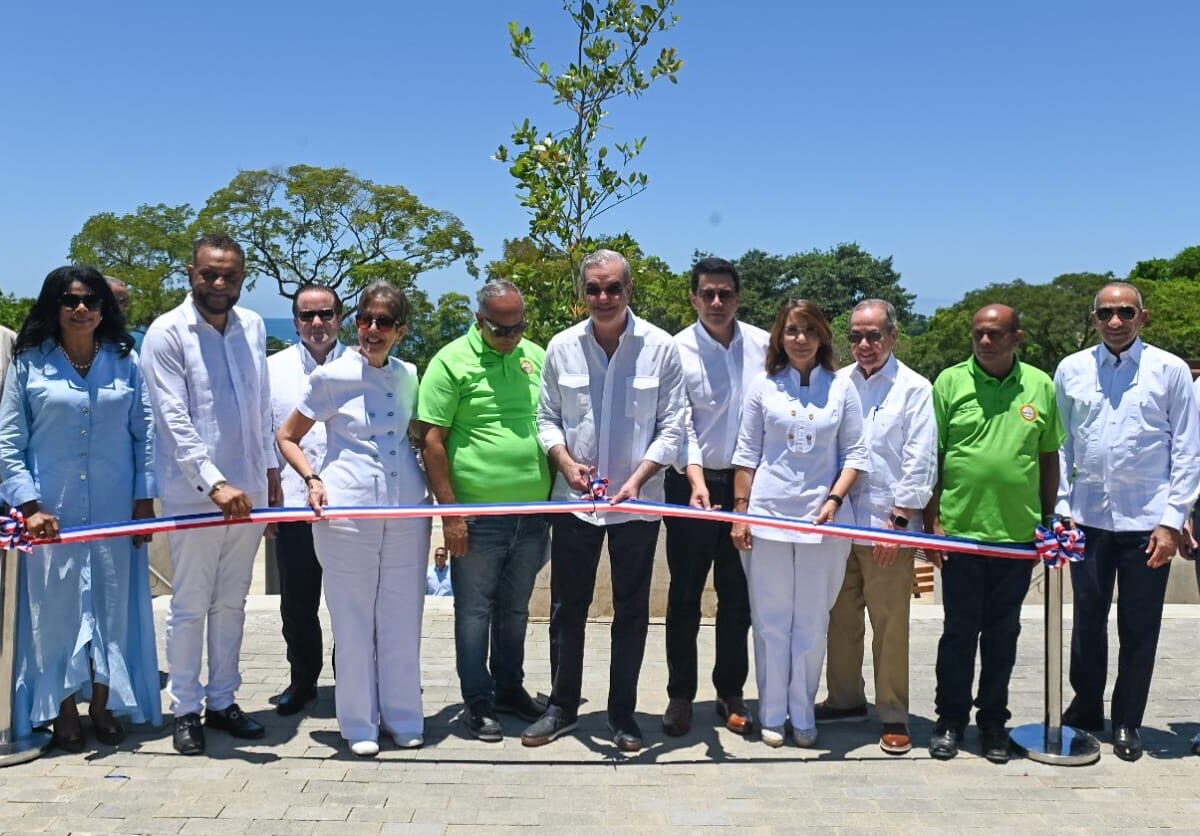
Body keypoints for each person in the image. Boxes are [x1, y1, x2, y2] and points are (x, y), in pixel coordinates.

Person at [522, 249, 686, 752]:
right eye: (594, 288)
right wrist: (566, 463)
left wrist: (641, 476)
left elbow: (674, 424)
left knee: (633, 611)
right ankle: (562, 707)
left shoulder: (660, 348)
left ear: (628, 291)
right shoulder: (562, 347)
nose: (603, 297)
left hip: (637, 503)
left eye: (613, 288)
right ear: (583, 292)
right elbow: (547, 416)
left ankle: (622, 714)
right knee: (567, 607)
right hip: (574, 503)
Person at [0, 266, 160, 751]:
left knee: (113, 607)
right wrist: (28, 507)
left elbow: (146, 435)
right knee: (55, 612)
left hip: (115, 508)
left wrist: (144, 501)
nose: (81, 309)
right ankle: (63, 710)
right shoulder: (28, 363)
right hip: (53, 513)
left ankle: (105, 705)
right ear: (55, 305)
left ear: (103, 307)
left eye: (90, 300)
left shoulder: (125, 362)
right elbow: (9, 441)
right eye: (70, 300)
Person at [276, 281, 431, 758]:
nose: (372, 330)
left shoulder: (409, 374)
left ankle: (404, 716)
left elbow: (421, 434)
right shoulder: (331, 377)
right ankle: (358, 723)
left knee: (403, 616)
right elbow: (287, 437)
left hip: (407, 509)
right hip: (347, 510)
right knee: (353, 617)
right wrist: (312, 480)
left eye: (384, 322)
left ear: (401, 330)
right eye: (365, 319)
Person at [141, 234, 281, 755]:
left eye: (230, 275)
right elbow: (173, 419)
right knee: (190, 604)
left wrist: (268, 468)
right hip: (196, 493)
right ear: (191, 273)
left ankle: (223, 700)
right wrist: (214, 482)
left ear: (243, 278)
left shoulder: (254, 327)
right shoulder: (166, 333)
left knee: (231, 602)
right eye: (209, 274)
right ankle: (185, 709)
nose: (219, 284)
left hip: (250, 489)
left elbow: (261, 402)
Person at [1054, 282, 1200, 761]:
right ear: (1093, 318)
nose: (1115, 321)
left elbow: (1187, 450)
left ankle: (1127, 721)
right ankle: (1086, 707)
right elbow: (1061, 445)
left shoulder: (1170, 370)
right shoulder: (1072, 370)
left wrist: (1172, 520)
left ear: (1143, 317)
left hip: (1147, 521)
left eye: (1125, 312)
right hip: (1088, 518)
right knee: (1087, 619)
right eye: (1105, 313)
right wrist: (1063, 508)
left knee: (1139, 626)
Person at [926, 304, 1064, 763]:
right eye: (979, 334)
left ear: (1016, 338)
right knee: (959, 632)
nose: (985, 342)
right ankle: (949, 720)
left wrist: (1048, 522)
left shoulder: (1040, 385)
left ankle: (992, 724)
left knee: (1003, 634)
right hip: (961, 532)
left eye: (996, 334)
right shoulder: (949, 382)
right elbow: (934, 456)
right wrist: (933, 521)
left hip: (1017, 536)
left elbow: (1049, 460)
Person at [729, 299, 869, 748]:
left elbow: (855, 455)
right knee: (771, 619)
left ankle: (803, 711)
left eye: (809, 330)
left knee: (811, 620)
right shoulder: (763, 387)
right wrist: (741, 511)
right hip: (767, 518)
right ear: (779, 336)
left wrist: (834, 499)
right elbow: (746, 454)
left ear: (823, 336)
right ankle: (771, 712)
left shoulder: (841, 387)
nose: (801, 339)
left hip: (822, 522)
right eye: (792, 330)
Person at [417, 279, 550, 741]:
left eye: (519, 328)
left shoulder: (536, 356)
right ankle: (477, 702)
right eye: (501, 330)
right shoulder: (450, 362)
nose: (512, 338)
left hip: (532, 516)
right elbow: (430, 440)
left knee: (515, 611)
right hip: (477, 517)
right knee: (474, 612)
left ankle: (509, 689)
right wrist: (450, 515)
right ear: (479, 321)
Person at [818, 299, 937, 755]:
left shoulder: (914, 388)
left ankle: (893, 713)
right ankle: (846, 700)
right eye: (856, 336)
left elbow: (920, 459)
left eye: (874, 336)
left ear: (893, 336)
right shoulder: (836, 383)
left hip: (889, 524)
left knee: (890, 625)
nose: (864, 345)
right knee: (840, 618)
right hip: (839, 522)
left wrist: (901, 521)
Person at [662, 257, 767, 738]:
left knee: (738, 596)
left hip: (750, 488)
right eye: (708, 294)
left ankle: (730, 691)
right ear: (694, 298)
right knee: (684, 594)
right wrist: (697, 480)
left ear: (738, 297)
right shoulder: (674, 350)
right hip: (690, 486)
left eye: (726, 293)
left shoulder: (766, 347)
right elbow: (678, 425)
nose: (718, 302)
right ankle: (680, 696)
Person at [267, 284, 345, 716]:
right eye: (307, 315)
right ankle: (302, 680)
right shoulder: (271, 369)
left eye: (326, 314)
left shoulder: (361, 366)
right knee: (297, 601)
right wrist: (267, 490)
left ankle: (348, 679)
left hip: (346, 504)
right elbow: (264, 430)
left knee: (347, 601)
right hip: (293, 502)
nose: (317, 323)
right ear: (296, 320)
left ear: (340, 316)